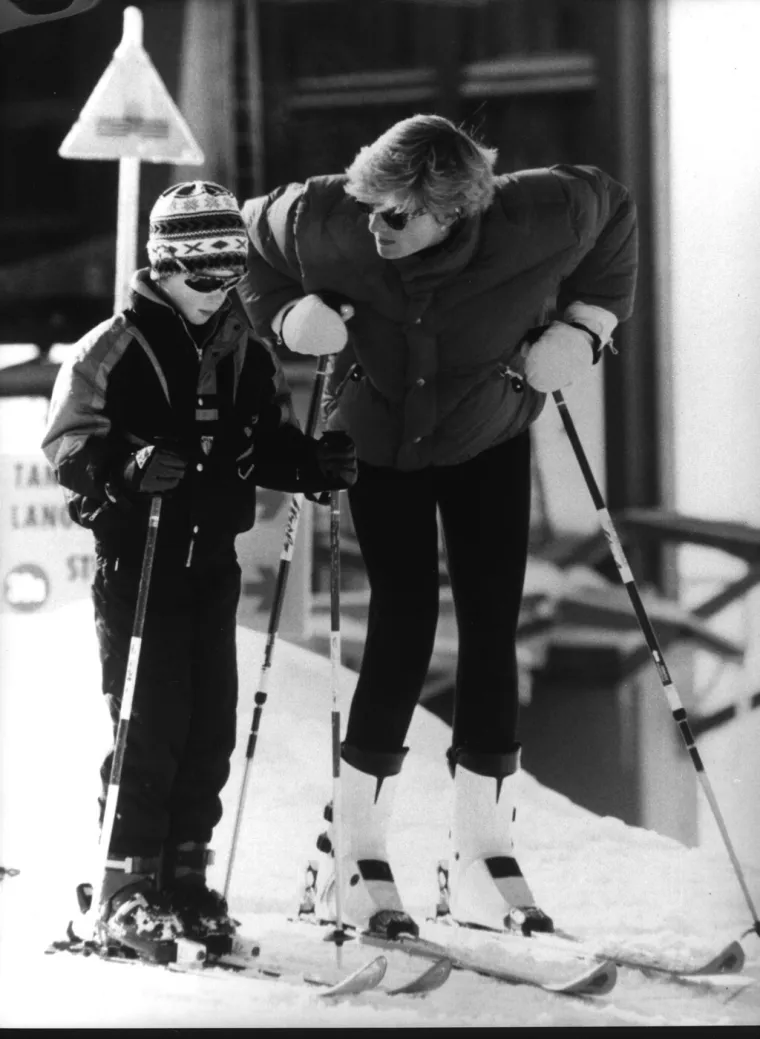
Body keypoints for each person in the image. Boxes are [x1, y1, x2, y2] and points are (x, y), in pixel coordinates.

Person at [238, 115, 638, 940]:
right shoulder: (325, 217)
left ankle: (486, 856)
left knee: (494, 623)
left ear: (454, 211)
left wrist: (586, 329)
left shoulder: (542, 215)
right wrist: (285, 317)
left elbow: (617, 214)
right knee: (405, 618)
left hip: (485, 432)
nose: (375, 225)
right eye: (369, 205)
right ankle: (351, 848)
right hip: (378, 440)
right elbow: (243, 238)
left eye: (396, 215)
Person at [41, 180, 357, 957]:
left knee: (210, 725)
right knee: (148, 725)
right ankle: (124, 884)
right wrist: (124, 468)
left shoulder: (244, 351)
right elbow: (67, 447)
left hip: (210, 560)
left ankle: (183, 876)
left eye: (230, 272)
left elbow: (264, 440)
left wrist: (312, 463)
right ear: (167, 265)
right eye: (202, 272)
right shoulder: (112, 345)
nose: (218, 289)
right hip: (138, 560)